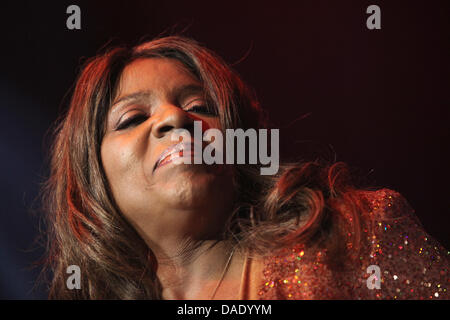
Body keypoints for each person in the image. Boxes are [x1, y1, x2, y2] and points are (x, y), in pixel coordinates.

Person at [40, 36, 449, 299]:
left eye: (200, 108)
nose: (175, 119)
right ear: (91, 180)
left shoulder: (355, 235)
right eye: (131, 119)